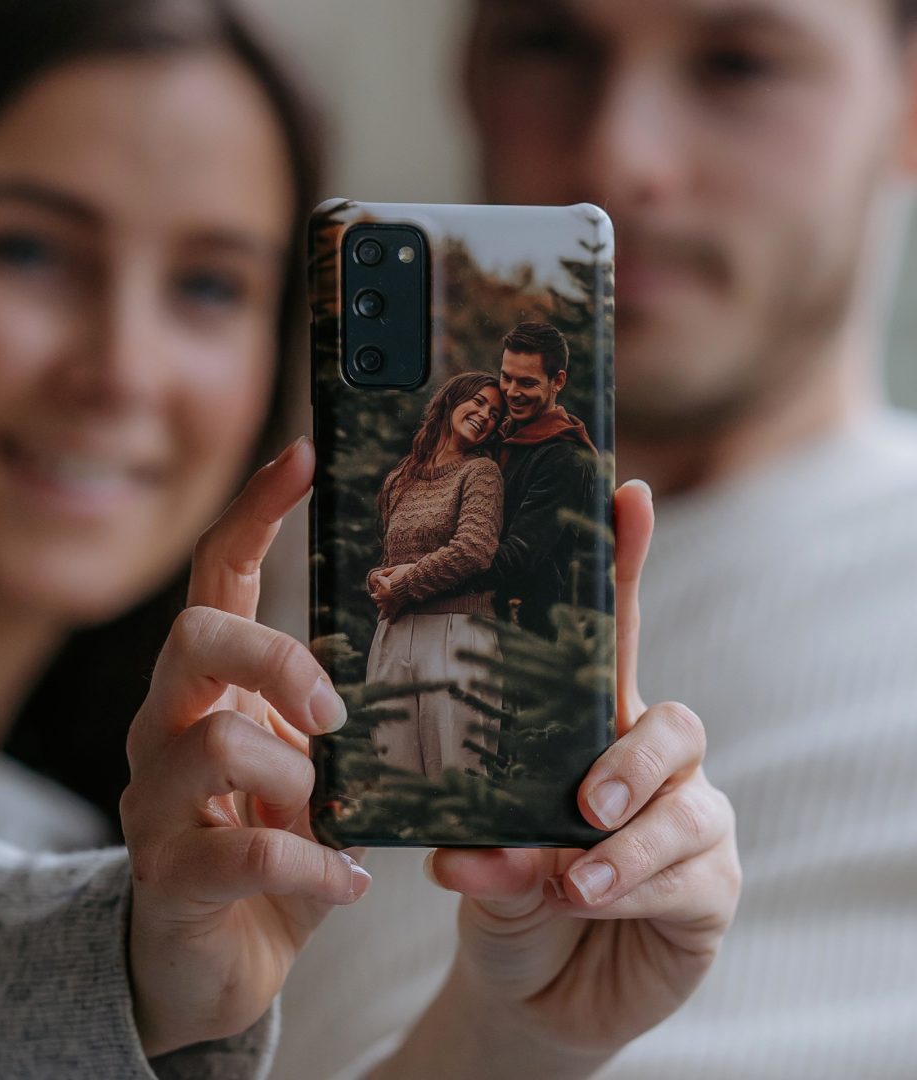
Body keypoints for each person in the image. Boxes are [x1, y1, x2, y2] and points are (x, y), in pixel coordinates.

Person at [0, 3, 740, 1079]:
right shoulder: (71, 890)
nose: (124, 368)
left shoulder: (88, 821)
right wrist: (108, 960)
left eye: (210, 285)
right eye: (26, 250)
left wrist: (520, 1037)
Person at [272, 0, 917, 1076]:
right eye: (549, 44)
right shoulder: (260, 565)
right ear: (467, 74)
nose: (620, 155)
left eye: (740, 65)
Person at [366, 371, 505, 778]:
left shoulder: (480, 473)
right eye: (478, 402)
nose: (485, 415)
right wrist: (378, 580)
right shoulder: (400, 478)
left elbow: (474, 548)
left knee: (456, 779)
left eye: (495, 414)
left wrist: (404, 585)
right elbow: (390, 557)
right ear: (451, 400)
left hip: (456, 633)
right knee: (398, 779)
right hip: (393, 635)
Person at [475, 322, 599, 638]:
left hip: (523, 632)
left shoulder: (564, 457)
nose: (512, 392)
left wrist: (430, 579)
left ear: (558, 381)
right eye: (506, 377)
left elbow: (520, 555)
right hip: (477, 618)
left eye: (527, 383)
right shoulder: (497, 434)